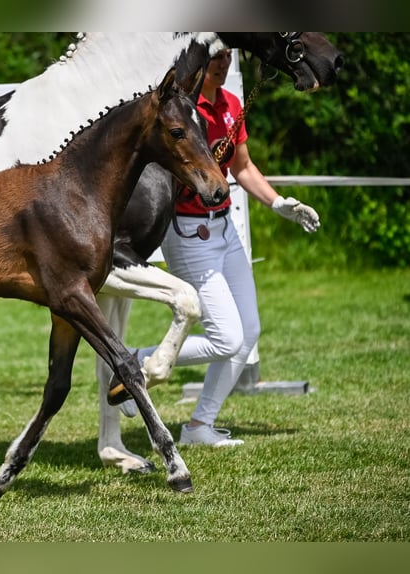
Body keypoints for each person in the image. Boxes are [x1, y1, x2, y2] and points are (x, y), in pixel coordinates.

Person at [123, 48, 321, 447]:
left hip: (225, 229)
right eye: (215, 54)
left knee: (248, 332)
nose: (222, 61)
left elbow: (242, 167)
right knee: (225, 339)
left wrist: (279, 203)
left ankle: (199, 427)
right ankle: (133, 361)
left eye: (228, 54)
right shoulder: (181, 109)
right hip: (189, 233)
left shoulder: (231, 104)